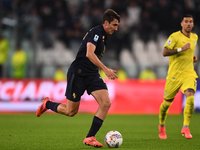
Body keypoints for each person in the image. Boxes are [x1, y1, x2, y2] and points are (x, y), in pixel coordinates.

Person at [36, 9, 120, 147]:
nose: (116, 28)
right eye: (114, 25)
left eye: (117, 25)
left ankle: (90, 137)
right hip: (79, 73)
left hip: (92, 74)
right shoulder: (96, 32)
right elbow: (89, 53)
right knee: (71, 111)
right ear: (106, 23)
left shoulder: (104, 36)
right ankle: (47, 104)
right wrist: (105, 69)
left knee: (106, 103)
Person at [158, 14, 198, 139]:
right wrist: (181, 49)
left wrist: (191, 58)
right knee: (166, 105)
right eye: (186, 21)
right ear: (181, 24)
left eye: (191, 21)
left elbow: (188, 53)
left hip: (188, 74)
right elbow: (165, 52)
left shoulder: (195, 37)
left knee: (190, 98)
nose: (189, 24)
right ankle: (162, 126)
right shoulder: (174, 37)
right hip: (174, 76)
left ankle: (185, 127)